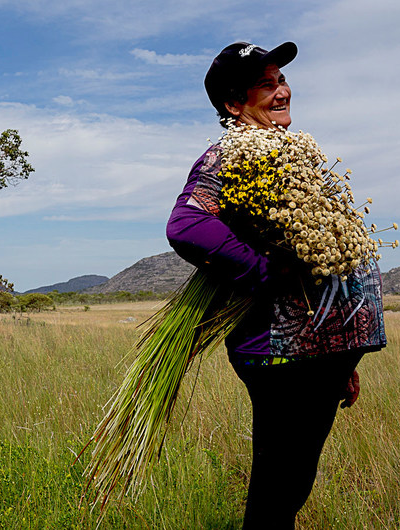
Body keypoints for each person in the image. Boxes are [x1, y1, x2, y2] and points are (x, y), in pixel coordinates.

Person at [165, 41, 387, 529]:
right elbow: (186, 224)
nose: (283, 90)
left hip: (317, 356)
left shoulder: (280, 151)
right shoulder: (231, 155)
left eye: (281, 80)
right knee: (278, 489)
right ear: (233, 104)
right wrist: (264, 270)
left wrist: (343, 361)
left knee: (291, 483)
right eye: (266, 84)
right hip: (281, 353)